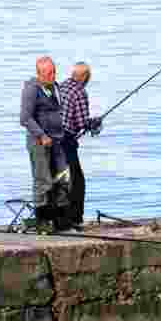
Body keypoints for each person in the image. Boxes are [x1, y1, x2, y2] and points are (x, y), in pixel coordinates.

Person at [20, 56, 72, 231]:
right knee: (43, 181)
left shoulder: (55, 87)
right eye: (48, 73)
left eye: (54, 72)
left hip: (58, 141)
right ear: (39, 73)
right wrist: (41, 135)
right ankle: (42, 220)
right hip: (39, 142)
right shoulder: (31, 89)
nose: (52, 76)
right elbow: (25, 118)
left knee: (64, 178)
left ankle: (61, 220)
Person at [58, 61, 102, 226]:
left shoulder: (62, 86)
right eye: (88, 77)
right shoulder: (79, 92)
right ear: (84, 77)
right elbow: (82, 123)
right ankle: (75, 218)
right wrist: (95, 123)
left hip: (52, 137)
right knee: (77, 180)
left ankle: (59, 216)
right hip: (65, 140)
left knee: (60, 178)